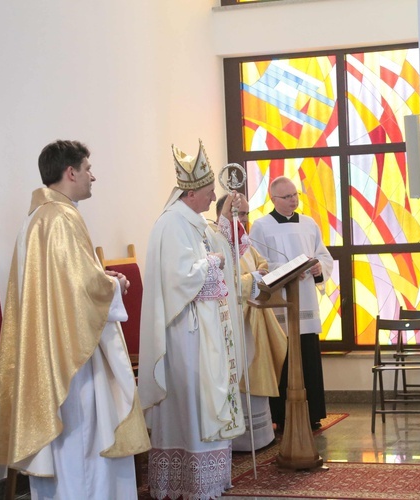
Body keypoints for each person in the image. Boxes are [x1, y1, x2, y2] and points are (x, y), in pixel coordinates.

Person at [0, 140, 150, 498]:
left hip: (56, 345)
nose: (94, 176)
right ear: (70, 172)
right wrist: (113, 285)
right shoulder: (60, 217)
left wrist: (103, 282)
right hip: (72, 357)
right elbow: (82, 289)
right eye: (88, 168)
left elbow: (68, 283)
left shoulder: (41, 216)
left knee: (75, 446)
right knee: (85, 440)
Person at [138, 140, 251, 499]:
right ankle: (188, 481)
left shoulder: (195, 222)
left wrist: (227, 225)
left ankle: (205, 480)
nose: (211, 196)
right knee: (192, 406)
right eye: (208, 192)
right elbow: (179, 277)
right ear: (191, 193)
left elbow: (216, 249)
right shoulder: (171, 225)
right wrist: (214, 263)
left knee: (203, 403)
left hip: (204, 331)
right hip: (185, 334)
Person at [249, 176, 333, 431]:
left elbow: (323, 255)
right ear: (274, 199)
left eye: (295, 195)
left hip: (304, 298)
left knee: (307, 354)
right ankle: (282, 416)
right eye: (286, 197)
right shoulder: (261, 227)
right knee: (283, 358)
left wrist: (317, 267)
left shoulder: (309, 224)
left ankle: (313, 413)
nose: (293, 200)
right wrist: (289, 269)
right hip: (279, 303)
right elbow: (258, 264)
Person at [214, 195, 287, 451]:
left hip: (255, 316)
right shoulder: (215, 239)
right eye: (238, 213)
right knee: (242, 375)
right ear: (224, 213)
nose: (243, 219)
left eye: (245, 214)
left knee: (259, 370)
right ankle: (241, 440)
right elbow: (225, 280)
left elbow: (261, 263)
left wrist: (261, 273)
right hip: (235, 321)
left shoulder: (244, 241)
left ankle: (262, 436)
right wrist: (253, 278)